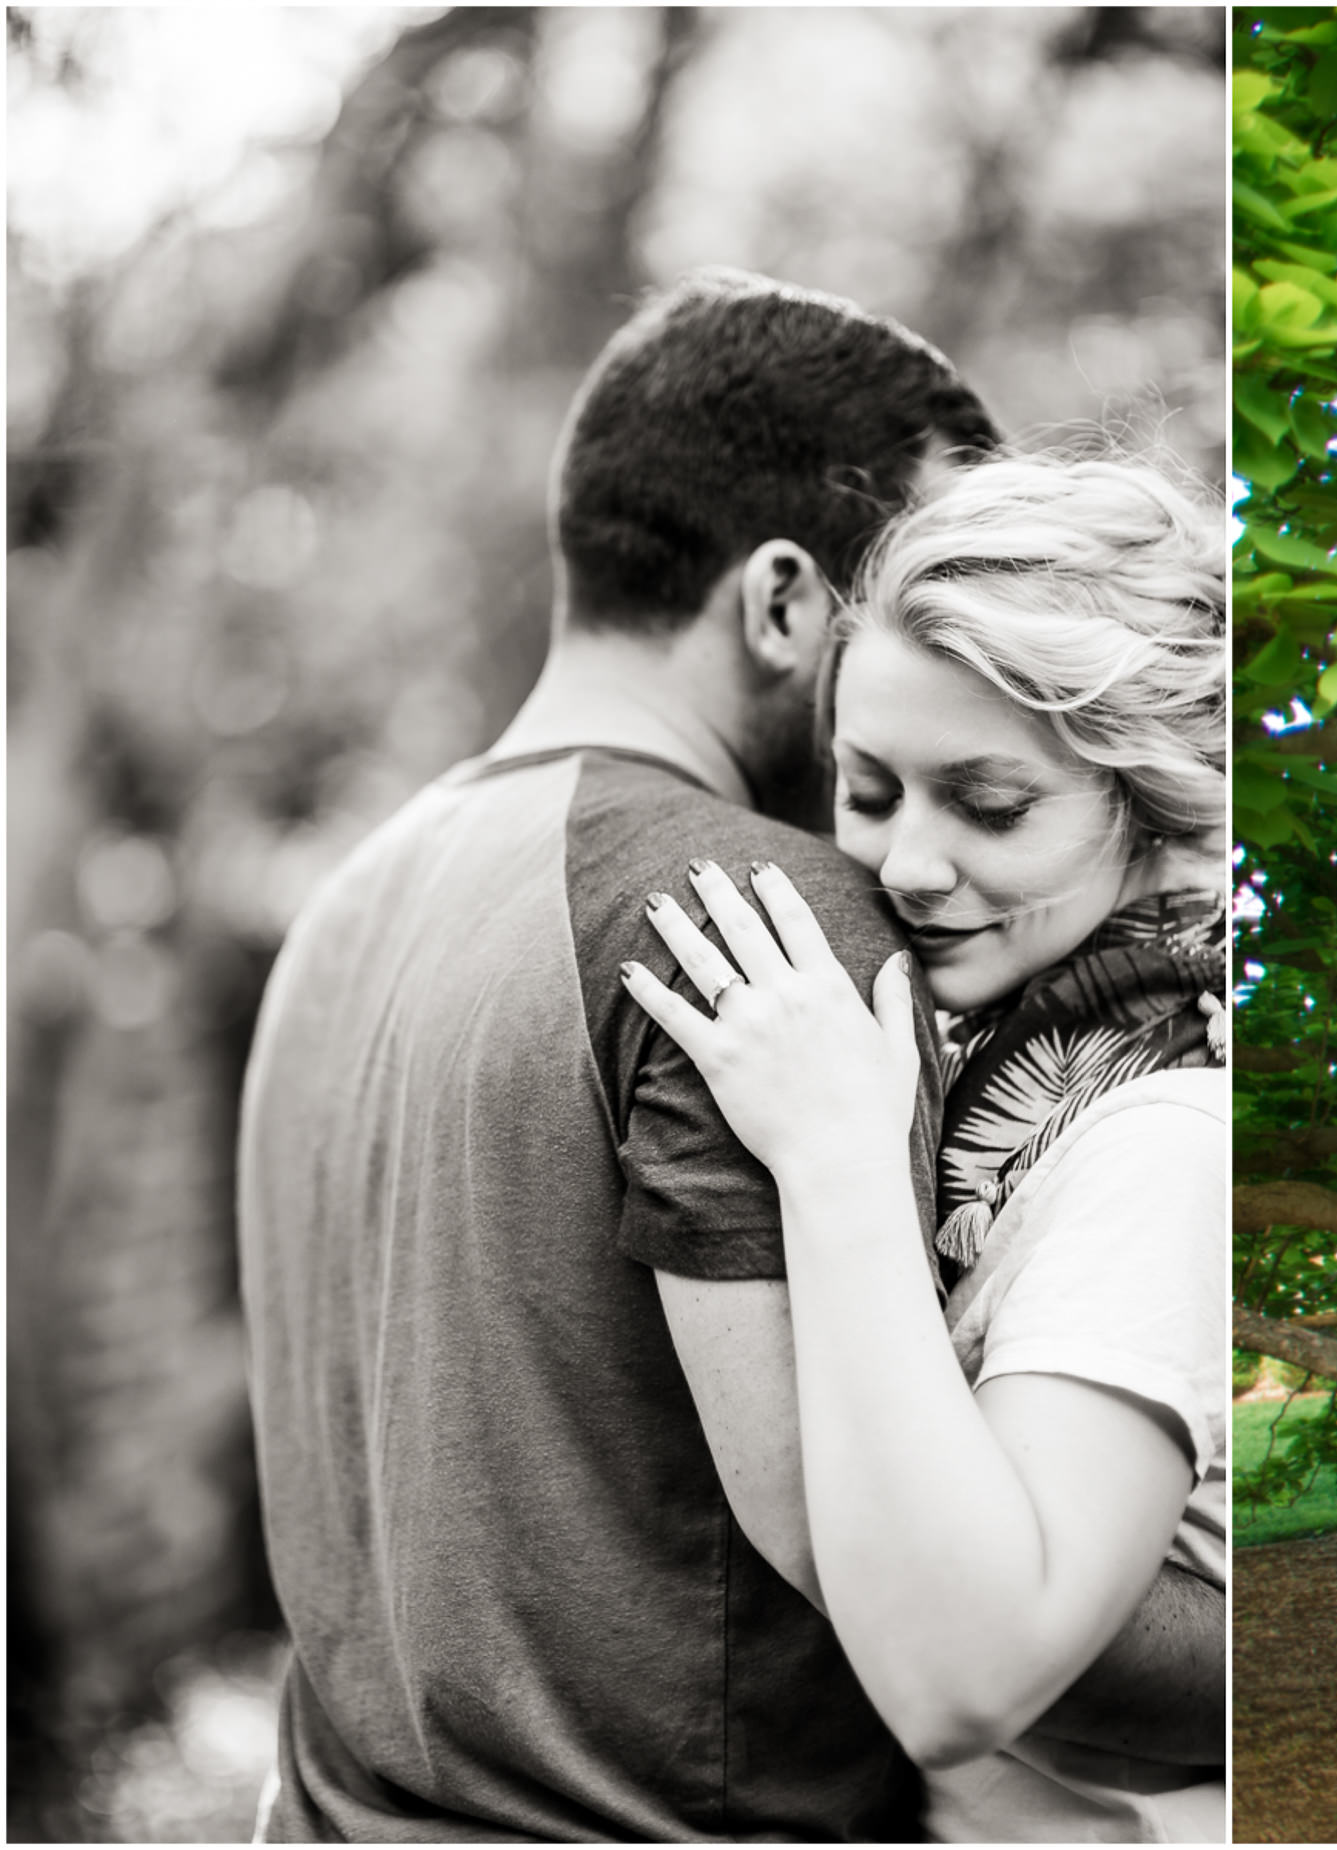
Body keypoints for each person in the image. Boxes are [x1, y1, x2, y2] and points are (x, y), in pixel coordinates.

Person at [234, 270, 1217, 1842]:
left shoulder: (351, 902)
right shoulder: (748, 921)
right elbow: (925, 1600)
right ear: (779, 601)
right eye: (888, 573)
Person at [623, 449, 1228, 1841]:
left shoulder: (1161, 1146)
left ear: (1157, 799)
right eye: (871, 789)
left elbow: (961, 1678)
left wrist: (833, 1157)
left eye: (990, 805)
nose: (904, 863)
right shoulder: (1004, 1079)